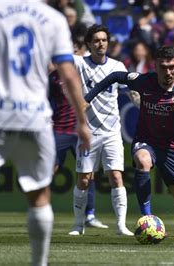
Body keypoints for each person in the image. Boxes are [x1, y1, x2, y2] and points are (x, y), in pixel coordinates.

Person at [0, 1, 90, 266]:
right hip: (35, 117)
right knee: (39, 195)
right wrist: (82, 121)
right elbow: (68, 74)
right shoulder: (53, 18)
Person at [85, 45, 174, 244]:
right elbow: (115, 76)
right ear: (155, 66)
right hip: (146, 141)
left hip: (172, 149)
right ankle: (147, 218)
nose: (168, 72)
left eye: (172, 67)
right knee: (143, 161)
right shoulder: (144, 81)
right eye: (163, 67)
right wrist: (87, 99)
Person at [69, 25, 134, 237]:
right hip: (88, 132)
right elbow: (60, 60)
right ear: (89, 44)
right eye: (96, 40)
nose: (101, 44)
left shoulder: (117, 66)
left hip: (112, 132)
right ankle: (79, 225)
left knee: (116, 177)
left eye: (104, 40)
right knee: (84, 179)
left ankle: (121, 226)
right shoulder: (80, 63)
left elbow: (132, 94)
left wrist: (142, 104)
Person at [48, 70, 108, 230]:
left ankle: (90, 215)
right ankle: (43, 210)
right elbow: (46, 99)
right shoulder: (54, 76)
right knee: (49, 170)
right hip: (59, 130)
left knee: (89, 173)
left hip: (81, 131)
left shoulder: (86, 73)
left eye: (76, 51)